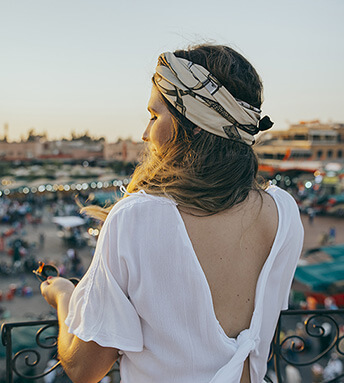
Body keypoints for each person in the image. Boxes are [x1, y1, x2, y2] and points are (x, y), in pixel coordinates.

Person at [40, 44, 304, 383]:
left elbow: (83, 368)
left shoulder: (137, 218)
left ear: (194, 124)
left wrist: (63, 293)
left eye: (154, 115)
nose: (145, 134)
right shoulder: (283, 214)